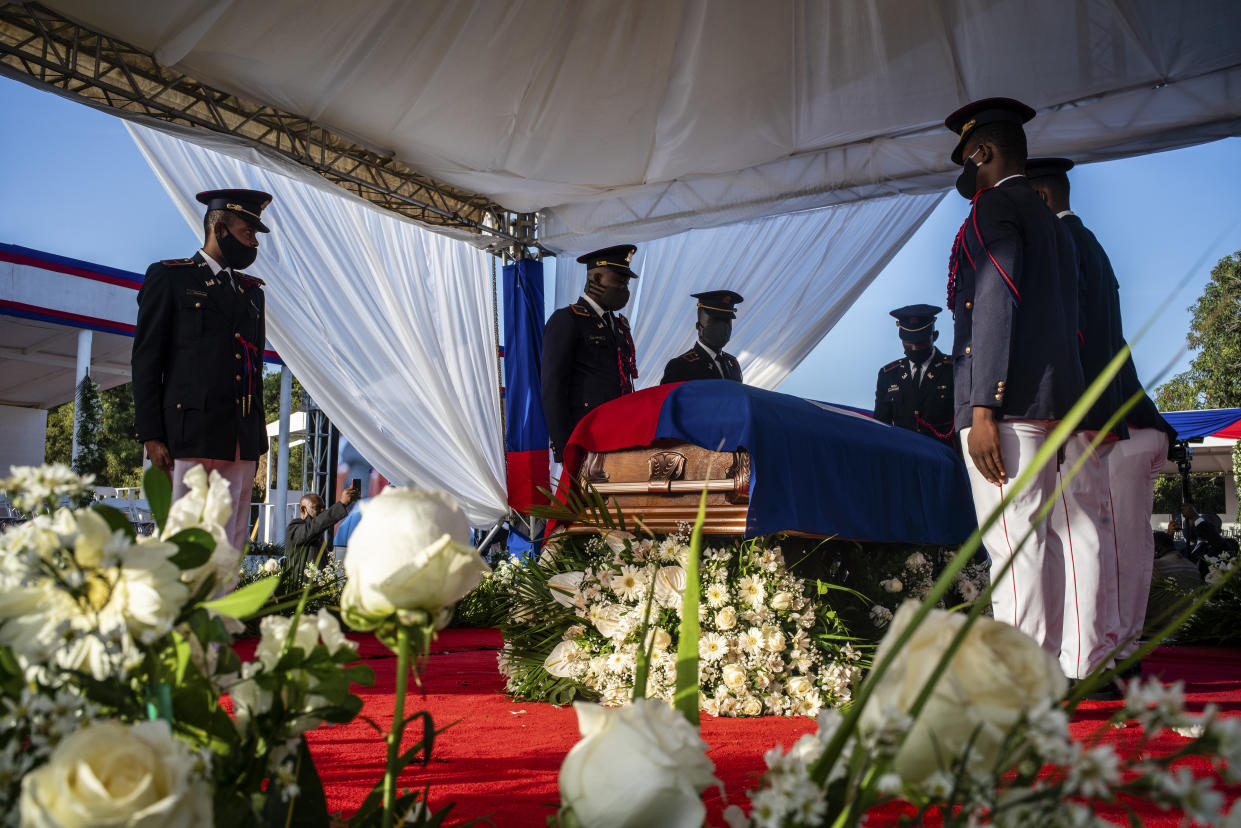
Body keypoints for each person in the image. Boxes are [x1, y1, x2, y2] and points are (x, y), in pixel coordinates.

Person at [945, 98, 1114, 681]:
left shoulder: (994, 207)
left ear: (984, 153)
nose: (965, 173)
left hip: (1009, 406)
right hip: (1057, 405)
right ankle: (1059, 668)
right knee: (1051, 541)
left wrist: (983, 404)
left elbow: (994, 299)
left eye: (968, 158)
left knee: (1014, 548)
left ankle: (1016, 687)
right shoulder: (1051, 218)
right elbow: (1072, 321)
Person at [1027, 156, 1181, 671]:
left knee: (1086, 537)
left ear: (1043, 198)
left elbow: (1071, 343)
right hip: (1117, 418)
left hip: (1094, 418)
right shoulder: (1091, 243)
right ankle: (1119, 648)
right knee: (1110, 537)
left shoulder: (1063, 245)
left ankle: (1096, 655)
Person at [131, 189, 273, 555]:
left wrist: (257, 439)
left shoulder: (251, 293)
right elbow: (147, 359)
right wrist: (151, 433)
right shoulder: (170, 278)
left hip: (239, 438)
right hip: (188, 435)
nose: (253, 242)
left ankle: (220, 612)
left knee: (228, 544)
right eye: (248, 232)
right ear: (220, 229)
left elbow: (253, 369)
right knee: (186, 540)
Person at [541, 244, 640, 462]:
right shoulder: (567, 319)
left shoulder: (619, 325)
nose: (623, 289)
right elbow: (553, 387)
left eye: (626, 283)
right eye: (618, 281)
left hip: (619, 433)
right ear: (595, 278)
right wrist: (564, 447)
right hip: (585, 436)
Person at [872, 304, 955, 447]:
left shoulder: (954, 369)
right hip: (904, 456)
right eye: (908, 343)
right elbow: (881, 425)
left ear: (934, 336)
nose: (914, 348)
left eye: (921, 343)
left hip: (943, 456)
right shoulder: (888, 374)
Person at [660, 290, 744, 384]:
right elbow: (668, 398)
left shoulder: (732, 363)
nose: (723, 326)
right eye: (715, 319)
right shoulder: (680, 366)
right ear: (699, 325)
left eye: (727, 320)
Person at [286, 483, 360, 570]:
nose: (322, 510)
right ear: (303, 509)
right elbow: (316, 525)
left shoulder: (315, 531)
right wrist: (342, 504)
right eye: (317, 507)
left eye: (323, 507)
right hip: (302, 583)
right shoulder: (295, 528)